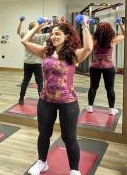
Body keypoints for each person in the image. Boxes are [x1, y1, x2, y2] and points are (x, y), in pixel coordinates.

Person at [22, 19, 93, 175]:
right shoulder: (45, 51)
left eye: (58, 34)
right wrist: (39, 27)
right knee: (44, 134)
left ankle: (74, 170)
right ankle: (42, 162)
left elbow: (88, 47)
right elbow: (25, 40)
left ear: (67, 36)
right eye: (52, 34)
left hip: (68, 102)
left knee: (69, 137)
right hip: (46, 101)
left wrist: (85, 26)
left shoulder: (73, 55)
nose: (53, 37)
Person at [86, 21, 125, 115]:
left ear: (98, 30)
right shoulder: (112, 40)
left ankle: (90, 107)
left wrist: (85, 25)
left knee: (93, 87)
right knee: (110, 88)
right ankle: (111, 109)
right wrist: (120, 23)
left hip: (95, 66)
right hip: (108, 67)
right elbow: (125, 34)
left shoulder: (94, 40)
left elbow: (86, 35)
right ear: (110, 30)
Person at [17, 19, 49, 104]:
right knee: (40, 83)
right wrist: (49, 23)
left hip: (27, 62)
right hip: (37, 63)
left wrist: (20, 21)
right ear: (37, 28)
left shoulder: (25, 35)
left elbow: (18, 31)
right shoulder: (40, 37)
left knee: (25, 81)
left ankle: (21, 98)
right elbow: (52, 34)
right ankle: (41, 100)